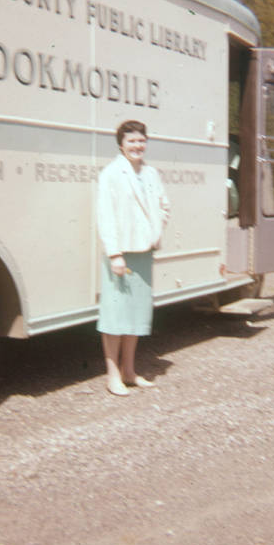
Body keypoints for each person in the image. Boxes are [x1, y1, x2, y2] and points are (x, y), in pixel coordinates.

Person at [96, 119, 170, 396]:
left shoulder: (151, 174)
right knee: (115, 315)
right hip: (122, 255)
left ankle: (129, 370)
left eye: (141, 141)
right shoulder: (111, 174)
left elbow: (164, 205)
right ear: (121, 145)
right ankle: (112, 375)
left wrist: (154, 231)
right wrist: (115, 254)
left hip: (143, 252)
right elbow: (105, 218)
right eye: (132, 141)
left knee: (136, 315)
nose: (137, 146)